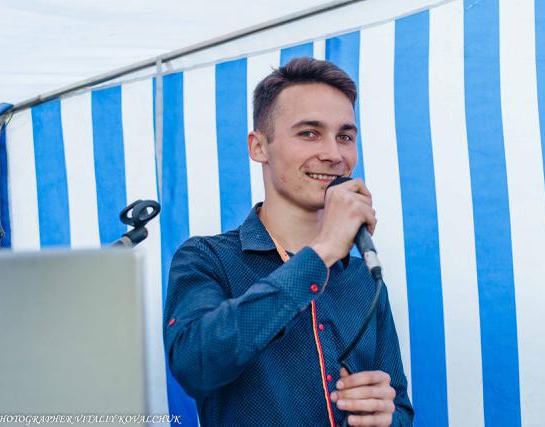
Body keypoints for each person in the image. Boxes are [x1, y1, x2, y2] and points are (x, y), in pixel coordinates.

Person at [164, 57, 414, 426]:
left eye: (345, 136)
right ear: (258, 147)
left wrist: (385, 416)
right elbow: (196, 365)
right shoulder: (206, 258)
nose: (334, 154)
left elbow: (401, 409)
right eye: (309, 133)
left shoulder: (363, 276)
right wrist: (321, 252)